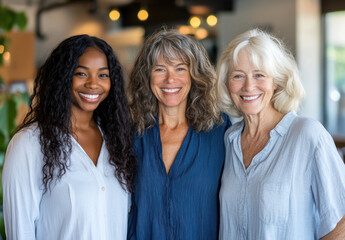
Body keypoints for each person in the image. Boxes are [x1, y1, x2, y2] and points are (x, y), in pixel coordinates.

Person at [2, 34, 136, 240]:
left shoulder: (118, 140)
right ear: (62, 76)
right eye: (81, 74)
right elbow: (20, 232)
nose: (93, 84)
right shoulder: (29, 145)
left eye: (103, 75)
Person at [217, 28, 345, 239]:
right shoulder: (227, 140)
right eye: (238, 76)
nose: (249, 86)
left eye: (259, 75)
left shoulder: (307, 135)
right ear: (227, 84)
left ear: (276, 81)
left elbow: (341, 221)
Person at [127, 29, 231, 240]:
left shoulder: (220, 130)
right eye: (159, 69)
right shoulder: (131, 133)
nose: (170, 79)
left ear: (195, 75)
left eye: (180, 68)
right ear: (146, 76)